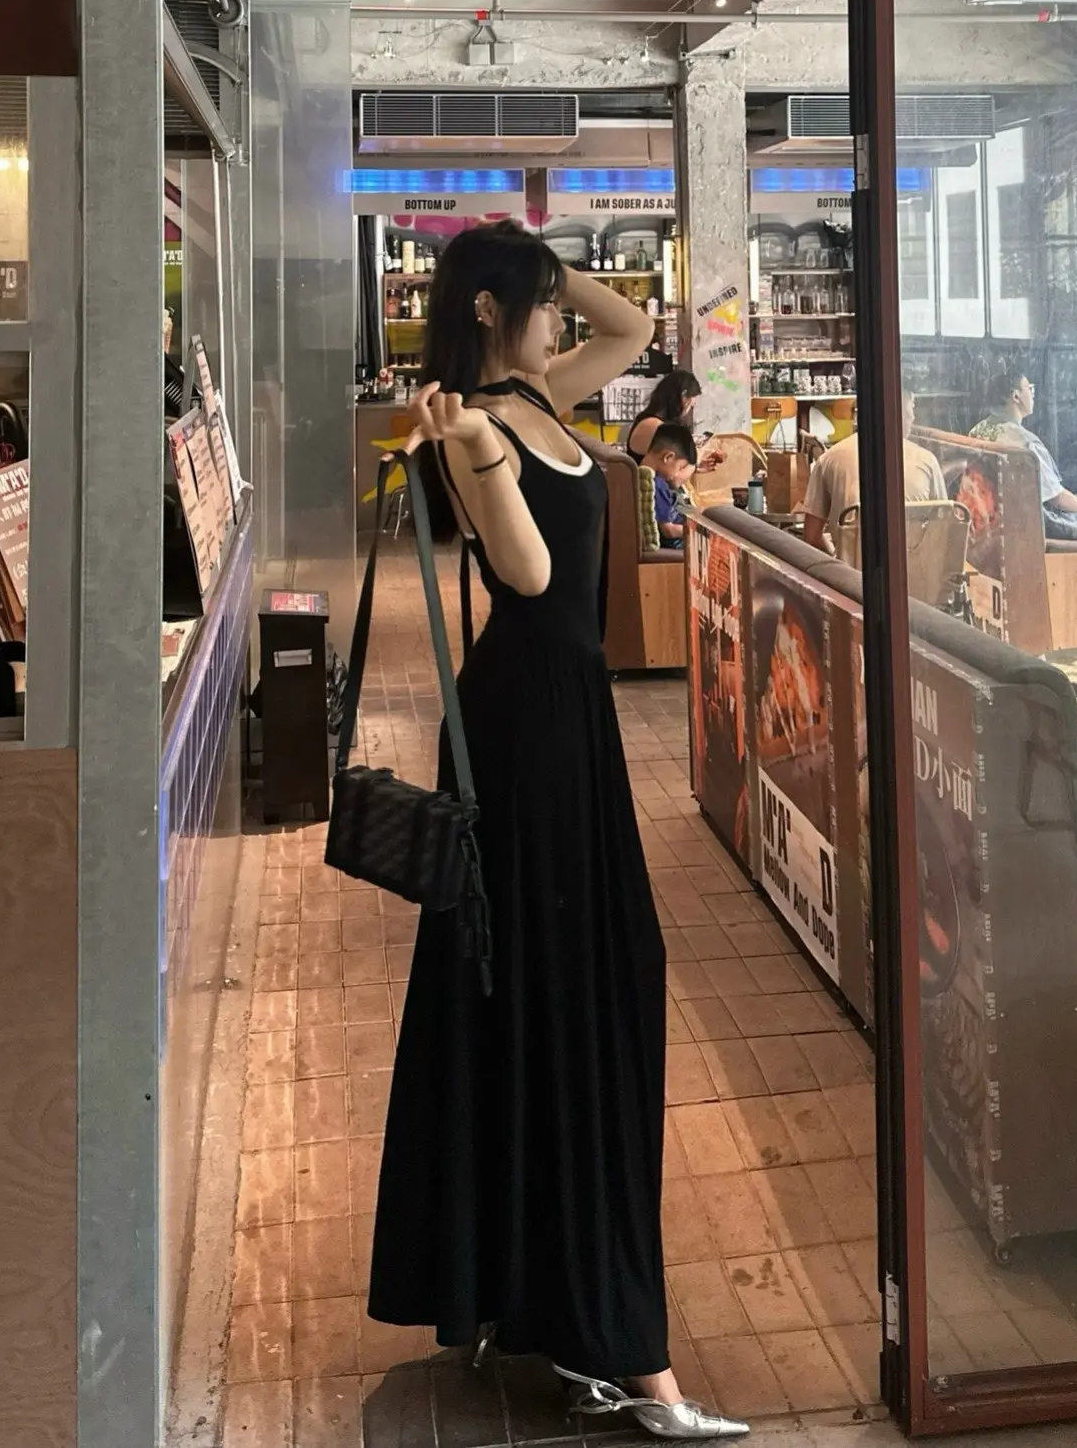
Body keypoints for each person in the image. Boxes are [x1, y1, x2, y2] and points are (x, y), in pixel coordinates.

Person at [369, 220, 747, 1440]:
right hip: (524, 735)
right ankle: (621, 1348)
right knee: (567, 993)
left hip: (571, 726)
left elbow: (634, 325)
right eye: (539, 300)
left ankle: (537, 1296)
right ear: (492, 313)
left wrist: (528, 254)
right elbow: (530, 578)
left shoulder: (543, 392)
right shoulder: (476, 423)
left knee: (569, 988)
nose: (561, 315)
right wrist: (475, 447)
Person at [969, 367, 1077, 542]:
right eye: (1029, 388)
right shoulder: (1024, 442)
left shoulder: (975, 432)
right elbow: (1057, 499)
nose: (1033, 394)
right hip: (1027, 524)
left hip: (986, 521)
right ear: (1016, 396)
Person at [800, 389, 947, 556]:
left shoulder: (828, 458)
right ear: (898, 412)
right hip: (911, 570)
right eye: (911, 407)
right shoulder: (927, 461)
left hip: (847, 572)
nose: (913, 417)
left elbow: (811, 536)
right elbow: (943, 528)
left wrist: (837, 557)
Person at [624, 367, 725, 470]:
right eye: (691, 405)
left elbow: (671, 468)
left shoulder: (654, 422)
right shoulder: (652, 425)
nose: (688, 411)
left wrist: (694, 467)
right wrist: (696, 458)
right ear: (683, 395)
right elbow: (669, 469)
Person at [646, 421, 697, 546]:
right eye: (680, 467)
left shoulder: (650, 481)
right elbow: (669, 531)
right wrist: (698, 532)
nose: (677, 474)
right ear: (668, 457)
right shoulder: (657, 485)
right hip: (676, 543)